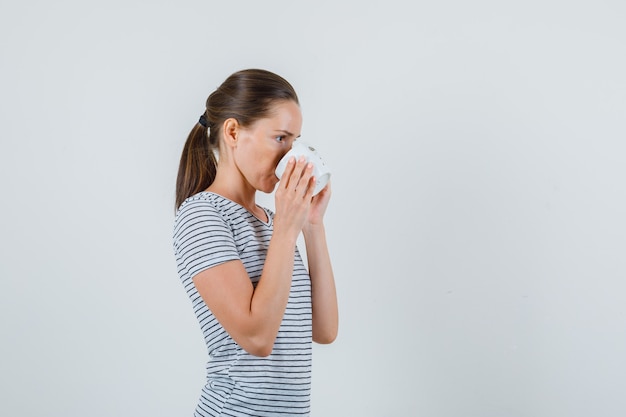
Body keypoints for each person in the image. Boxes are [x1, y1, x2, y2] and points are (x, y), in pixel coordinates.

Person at [172, 69, 338, 417]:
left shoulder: (275, 223)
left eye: (295, 142)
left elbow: (324, 330)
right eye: (280, 138)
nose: (289, 156)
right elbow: (257, 338)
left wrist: (311, 225)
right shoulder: (202, 215)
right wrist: (286, 231)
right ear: (233, 132)